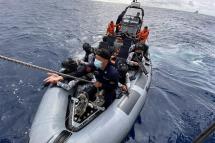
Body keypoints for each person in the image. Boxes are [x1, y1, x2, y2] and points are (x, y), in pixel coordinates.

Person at [44, 42, 119, 108]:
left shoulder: (113, 73)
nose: (96, 61)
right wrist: (61, 77)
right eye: (96, 59)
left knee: (106, 103)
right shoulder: (95, 65)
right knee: (86, 95)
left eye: (98, 59)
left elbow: (114, 86)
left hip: (107, 89)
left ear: (106, 61)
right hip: (96, 84)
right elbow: (79, 72)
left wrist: (101, 85)